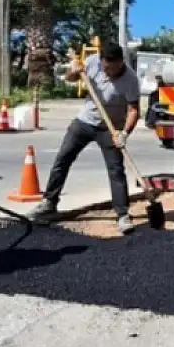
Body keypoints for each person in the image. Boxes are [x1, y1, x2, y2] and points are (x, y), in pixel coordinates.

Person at [31, 42, 140, 234]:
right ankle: (49, 202)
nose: (107, 72)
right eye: (105, 67)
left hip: (110, 128)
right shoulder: (91, 62)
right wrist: (75, 71)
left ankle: (122, 215)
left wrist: (124, 134)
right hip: (84, 122)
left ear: (121, 62)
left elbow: (133, 110)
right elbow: (71, 78)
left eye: (112, 68)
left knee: (116, 170)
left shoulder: (130, 79)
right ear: (101, 61)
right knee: (63, 159)